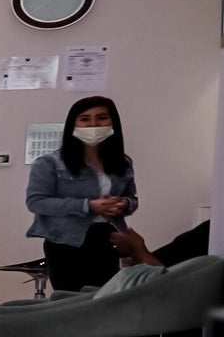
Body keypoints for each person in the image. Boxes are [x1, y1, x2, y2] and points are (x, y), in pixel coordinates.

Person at [24, 93, 140, 292]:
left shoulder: (122, 162)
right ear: (73, 125)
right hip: (67, 242)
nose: (93, 125)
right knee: (72, 302)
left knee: (105, 299)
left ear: (112, 122)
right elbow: (36, 202)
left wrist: (124, 204)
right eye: (85, 119)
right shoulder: (49, 163)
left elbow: (132, 199)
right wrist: (88, 205)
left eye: (102, 117)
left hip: (108, 239)